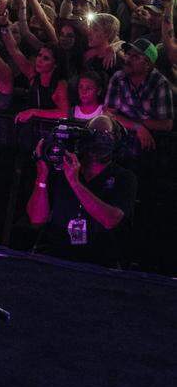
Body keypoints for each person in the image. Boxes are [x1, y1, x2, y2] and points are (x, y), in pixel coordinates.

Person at [26, 114, 136, 266]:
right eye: (94, 135)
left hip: (98, 261)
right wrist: (42, 176)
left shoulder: (124, 177)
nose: (99, 141)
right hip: (55, 255)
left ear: (116, 142)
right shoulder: (63, 167)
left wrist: (75, 182)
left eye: (105, 136)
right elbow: (36, 220)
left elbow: (111, 220)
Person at [104, 38, 174, 152]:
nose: (127, 59)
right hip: (123, 136)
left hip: (153, 140)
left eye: (135, 57)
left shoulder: (159, 83)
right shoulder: (118, 77)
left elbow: (166, 124)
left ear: (148, 65)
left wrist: (134, 124)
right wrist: (136, 127)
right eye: (127, 54)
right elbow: (108, 113)